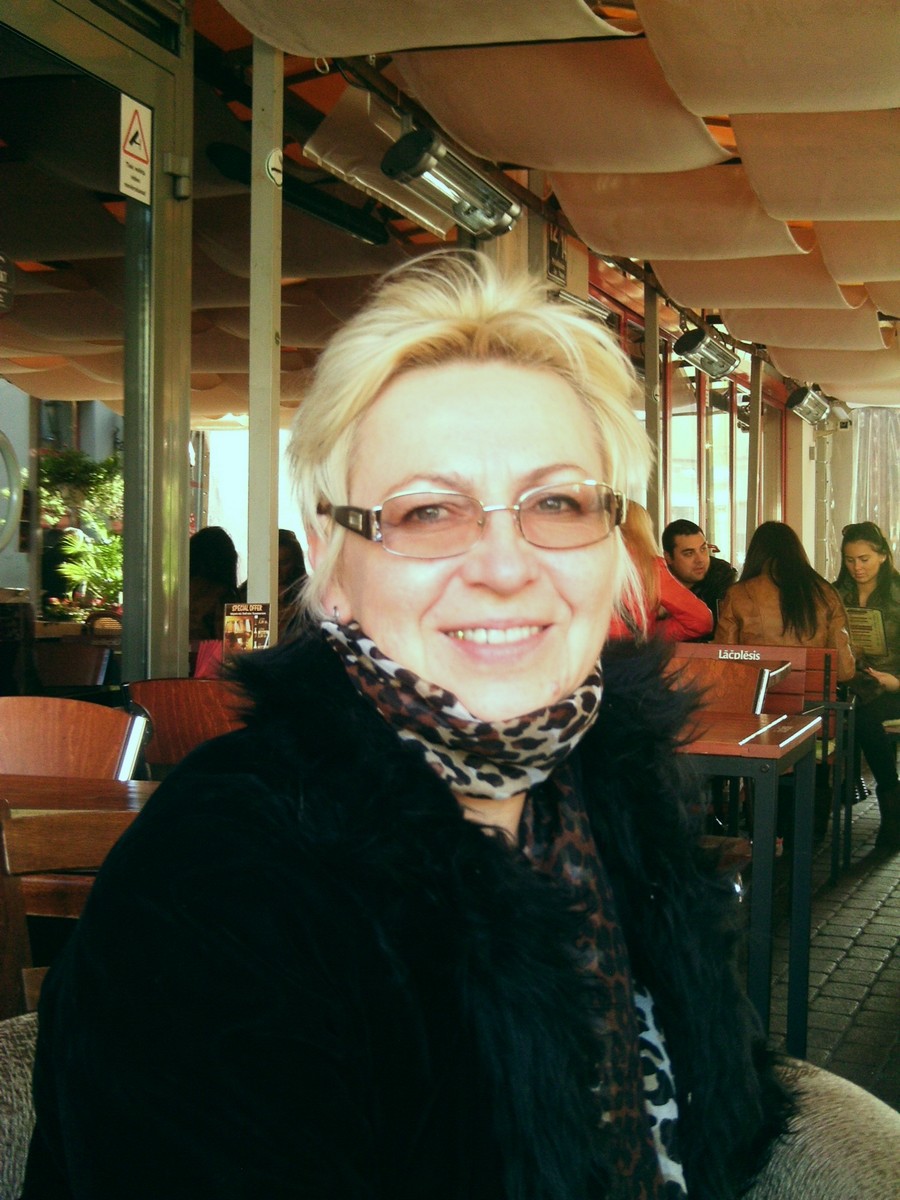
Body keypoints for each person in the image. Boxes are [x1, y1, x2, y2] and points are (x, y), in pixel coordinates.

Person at [24, 254, 791, 1200]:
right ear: (333, 563)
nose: (504, 566)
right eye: (428, 511)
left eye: (557, 502)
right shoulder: (216, 875)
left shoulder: (625, 793)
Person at [714, 521, 855, 839]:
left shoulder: (738, 595)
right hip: (815, 724)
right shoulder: (825, 593)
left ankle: (764, 828)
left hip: (757, 725)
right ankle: (808, 828)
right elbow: (845, 670)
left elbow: (725, 668)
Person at [833, 521, 900, 850]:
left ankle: (890, 797)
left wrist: (897, 681)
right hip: (851, 683)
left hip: (892, 687)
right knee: (851, 708)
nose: (856, 567)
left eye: (864, 559)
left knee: (864, 714)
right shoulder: (835, 593)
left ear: (883, 556)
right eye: (850, 560)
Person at [608, 501, 713, 641]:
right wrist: (652, 632)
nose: (699, 559)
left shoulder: (582, 563)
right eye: (688, 553)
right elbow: (701, 620)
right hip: (626, 650)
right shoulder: (649, 567)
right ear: (643, 529)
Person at [662, 519, 737, 632]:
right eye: (689, 553)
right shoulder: (655, 581)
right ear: (668, 557)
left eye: (703, 549)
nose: (700, 560)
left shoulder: (721, 575)